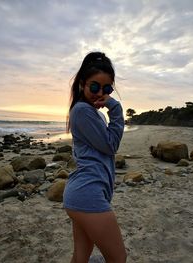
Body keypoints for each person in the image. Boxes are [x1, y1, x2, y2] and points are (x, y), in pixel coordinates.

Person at [63, 51, 127, 263]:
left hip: (86, 191)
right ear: (82, 83)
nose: (100, 92)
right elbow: (111, 145)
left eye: (106, 88)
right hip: (86, 192)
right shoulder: (82, 111)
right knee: (118, 258)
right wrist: (115, 108)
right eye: (94, 86)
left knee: (81, 257)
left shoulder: (92, 112)